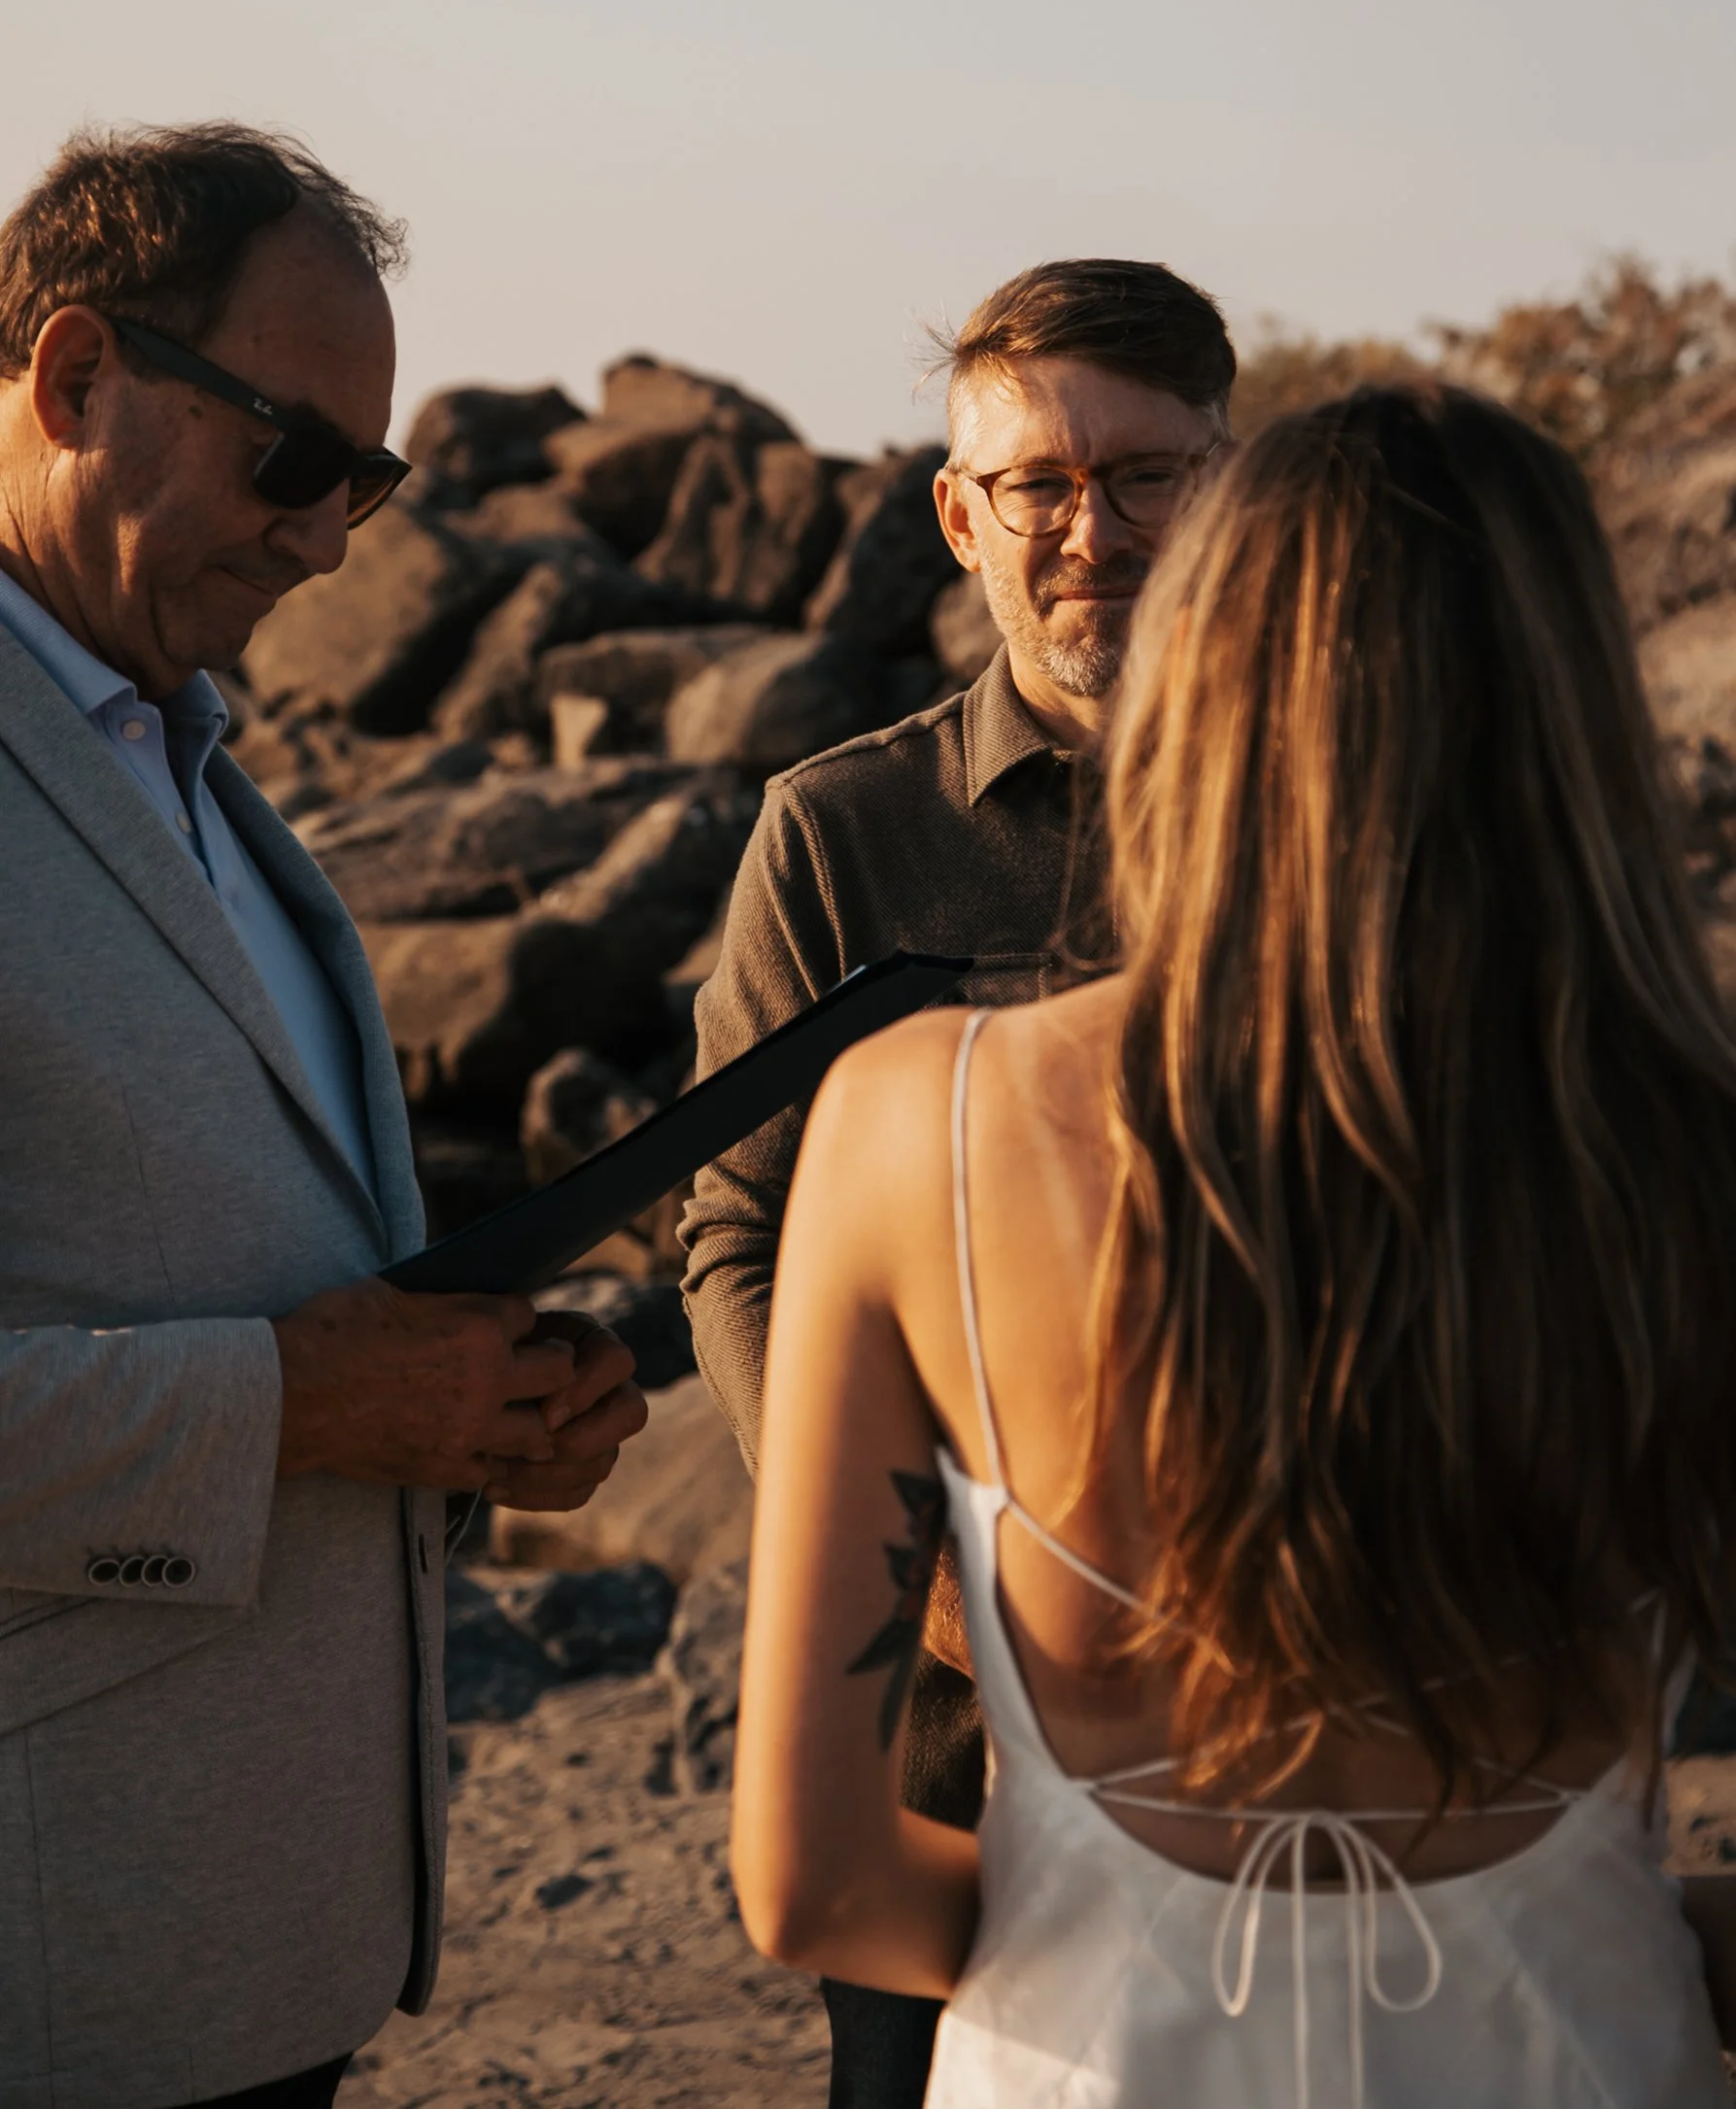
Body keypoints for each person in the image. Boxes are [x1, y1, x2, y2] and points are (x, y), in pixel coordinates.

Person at [734, 384, 1736, 2106]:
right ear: (1572, 699)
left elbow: (811, 1880)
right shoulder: (1686, 1144)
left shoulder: (919, 1117)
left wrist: (1107, 1930)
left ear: (1200, 668)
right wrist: (1602, 1917)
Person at [0, 123, 648, 2109]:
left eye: (367, 481)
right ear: (72, 376)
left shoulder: (193, 769)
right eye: (293, 455)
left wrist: (460, 1417)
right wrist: (305, 1407)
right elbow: (279, 1372)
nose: (329, 540)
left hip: (260, 1970)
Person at [681, 257, 1233, 2105]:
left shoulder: (1344, 812)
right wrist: (901, 1566)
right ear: (957, 515)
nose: (1093, 532)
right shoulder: (836, 838)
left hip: (1313, 1723)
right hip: (945, 1737)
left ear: (1228, 486)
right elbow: (735, 1227)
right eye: (1038, 487)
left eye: (1146, 476)